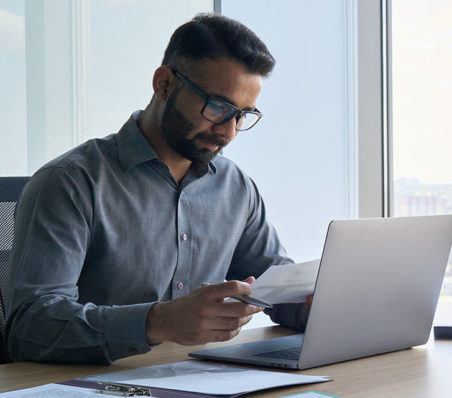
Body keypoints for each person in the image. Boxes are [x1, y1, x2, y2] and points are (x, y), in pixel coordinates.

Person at [5, 13, 308, 364]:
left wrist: (317, 306)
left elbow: (281, 290)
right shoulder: (69, 183)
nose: (229, 132)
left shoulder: (235, 188)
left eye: (242, 114)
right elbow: (28, 328)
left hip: (203, 379)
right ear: (164, 84)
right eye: (218, 108)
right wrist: (158, 323)